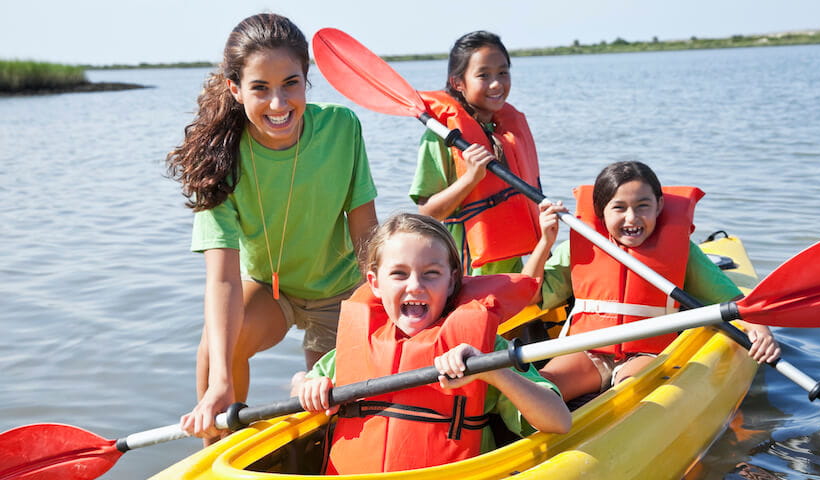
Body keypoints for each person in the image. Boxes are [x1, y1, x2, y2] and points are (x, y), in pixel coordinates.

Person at [166, 13, 378, 443]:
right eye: (260, 88)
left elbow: (367, 235)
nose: (278, 104)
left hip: (342, 290)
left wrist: (378, 309)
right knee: (215, 351)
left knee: (329, 413)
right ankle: (215, 451)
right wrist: (220, 381)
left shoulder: (341, 127)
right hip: (271, 289)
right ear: (235, 89)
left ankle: (304, 388)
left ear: (307, 79)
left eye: (291, 84)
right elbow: (223, 279)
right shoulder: (217, 160)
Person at [292, 213, 570, 474]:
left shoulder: (481, 349)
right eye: (399, 274)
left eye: (431, 273)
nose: (415, 285)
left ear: (451, 283)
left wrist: (492, 372)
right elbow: (300, 386)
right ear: (375, 283)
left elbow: (559, 421)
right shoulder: (351, 351)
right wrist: (307, 384)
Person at [522, 161, 781, 402]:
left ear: (658, 205)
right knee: (540, 389)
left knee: (627, 394)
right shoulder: (576, 248)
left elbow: (735, 302)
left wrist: (760, 329)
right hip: (587, 349)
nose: (632, 218)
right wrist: (546, 242)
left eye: (642, 205)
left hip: (647, 353)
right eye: (619, 207)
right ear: (601, 210)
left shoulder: (682, 253)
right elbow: (530, 294)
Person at [409, 31, 542, 275]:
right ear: (458, 83)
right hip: (465, 272)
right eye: (483, 75)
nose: (497, 84)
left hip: (511, 267)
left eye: (503, 72)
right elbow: (427, 213)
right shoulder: (440, 136)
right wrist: (471, 178)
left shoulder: (507, 131)